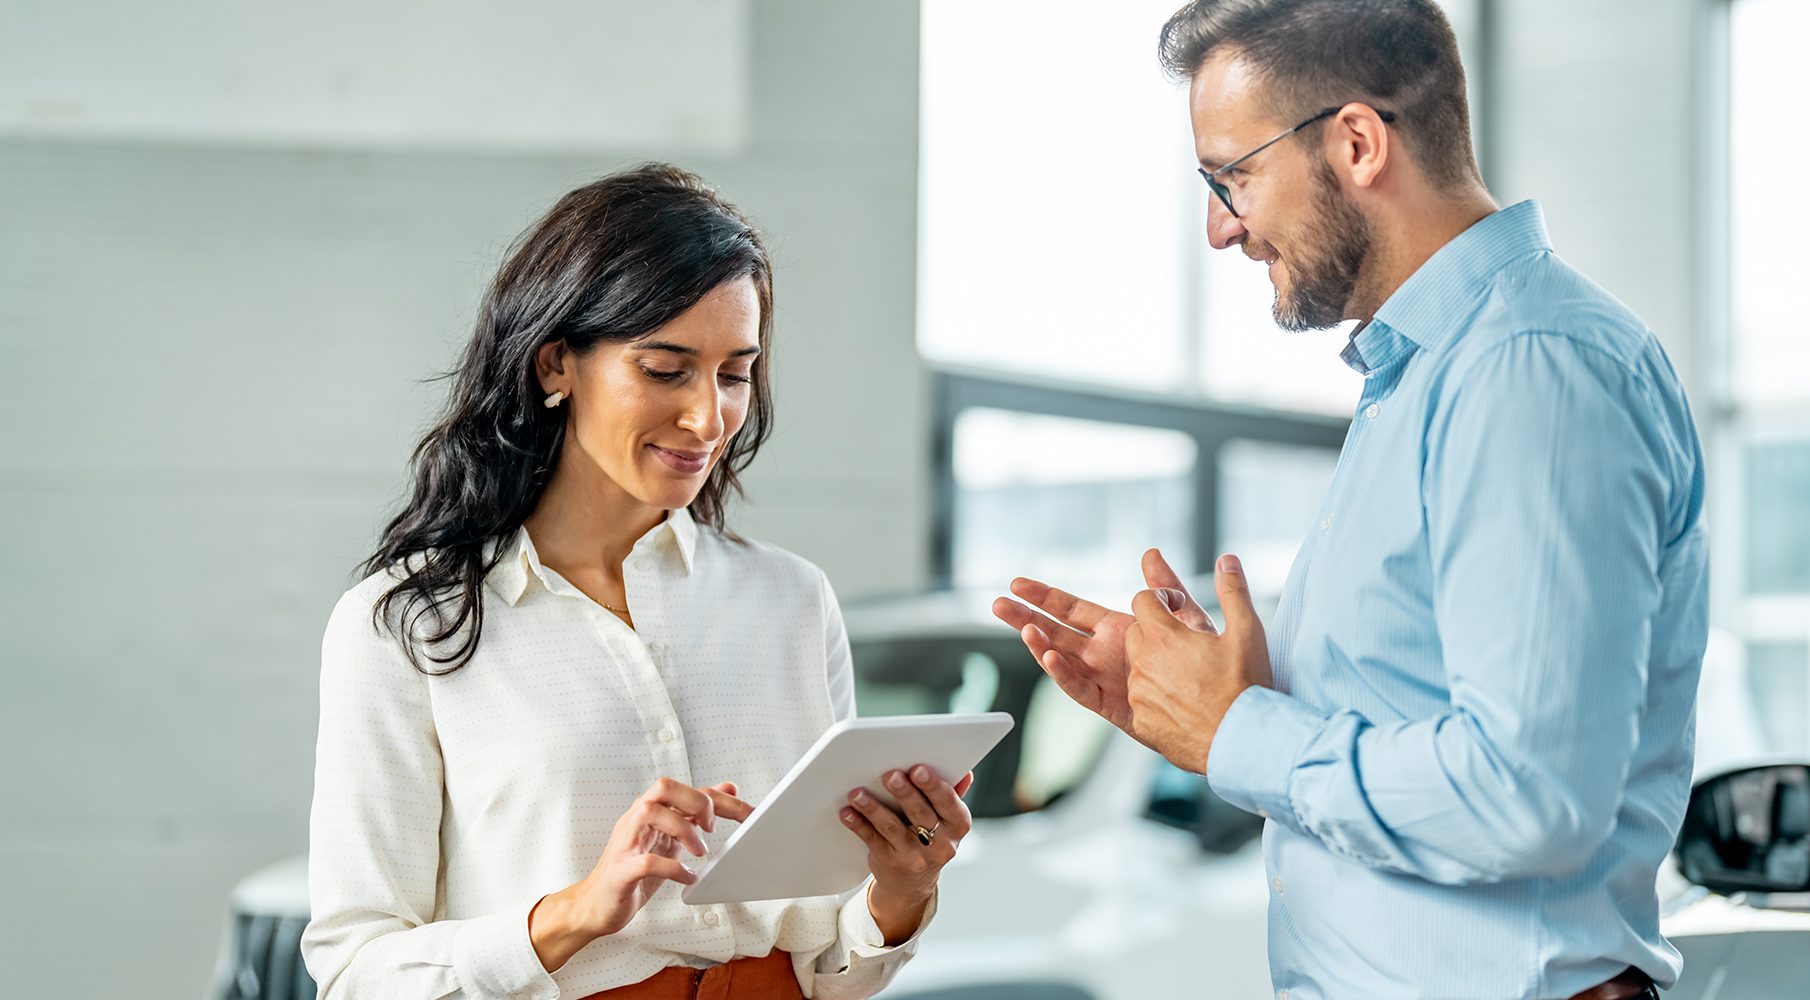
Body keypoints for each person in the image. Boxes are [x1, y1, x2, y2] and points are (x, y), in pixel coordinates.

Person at [990, 2, 1708, 997]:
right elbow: (1416, 717)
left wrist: (1239, 733)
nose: (1218, 227)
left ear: (1359, 141)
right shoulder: (1420, 379)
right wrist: (1213, 705)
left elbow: (1529, 793)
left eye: (1231, 176)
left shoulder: (1529, 370)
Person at [305, 164, 967, 999]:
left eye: (735, 374)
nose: (708, 417)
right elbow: (355, 970)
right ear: (555, 364)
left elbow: (830, 969)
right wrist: (579, 910)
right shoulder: (404, 626)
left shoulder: (792, 602)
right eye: (665, 369)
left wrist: (899, 892)